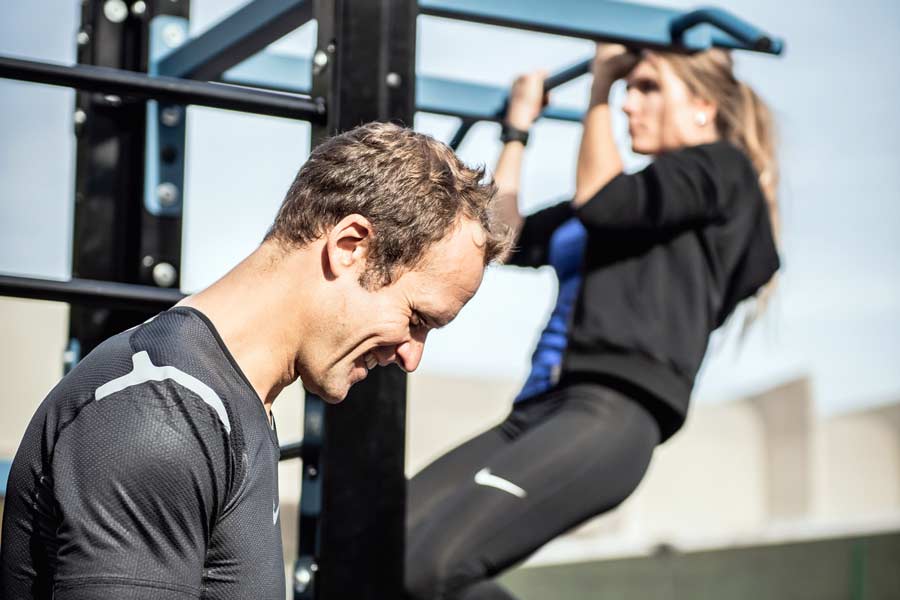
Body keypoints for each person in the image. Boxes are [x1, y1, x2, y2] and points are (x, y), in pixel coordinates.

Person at [1, 122, 510, 599]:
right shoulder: (160, 413)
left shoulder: (229, 401)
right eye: (417, 318)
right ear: (350, 246)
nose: (412, 356)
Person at [405, 44, 781, 600]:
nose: (632, 104)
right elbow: (500, 237)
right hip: (533, 414)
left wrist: (600, 88)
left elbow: (603, 200)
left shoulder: (722, 172)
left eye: (648, 87)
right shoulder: (633, 199)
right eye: (629, 90)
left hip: (609, 415)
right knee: (371, 547)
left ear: (704, 106)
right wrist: (517, 129)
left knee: (427, 571)